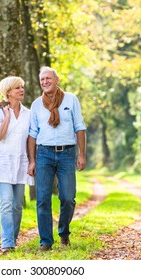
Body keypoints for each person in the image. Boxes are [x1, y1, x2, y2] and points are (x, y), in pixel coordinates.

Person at [27, 66, 87, 251]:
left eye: (48, 78)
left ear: (57, 80)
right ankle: (45, 241)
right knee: (43, 198)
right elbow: (32, 134)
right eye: (42, 79)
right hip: (44, 154)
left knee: (68, 197)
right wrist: (32, 160)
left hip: (67, 153)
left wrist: (81, 154)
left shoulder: (71, 99)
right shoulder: (36, 104)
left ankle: (64, 232)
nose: (45, 82)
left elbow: (79, 127)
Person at [0, 76, 34, 253]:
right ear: (8, 92)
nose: (21, 90)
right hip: (4, 164)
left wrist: (32, 161)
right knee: (6, 203)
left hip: (21, 163)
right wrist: (7, 117)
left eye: (22, 87)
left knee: (17, 206)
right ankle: (7, 244)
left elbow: (31, 139)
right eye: (17, 88)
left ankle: (12, 238)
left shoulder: (28, 113)